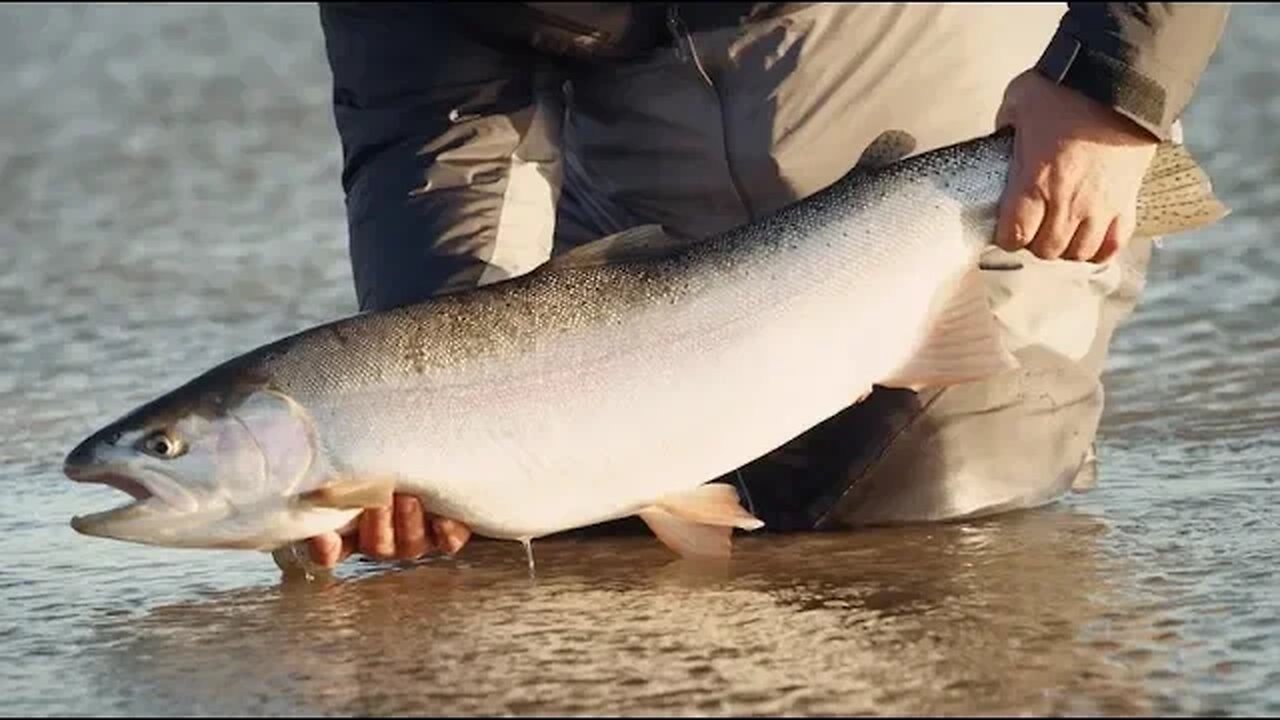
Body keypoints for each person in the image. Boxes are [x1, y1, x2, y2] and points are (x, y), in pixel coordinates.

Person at [305, 2, 1229, 568]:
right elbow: (437, 138)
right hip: (648, 207)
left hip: (969, 124)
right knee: (527, 539)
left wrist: (1112, 88)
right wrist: (433, 414)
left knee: (929, 526)